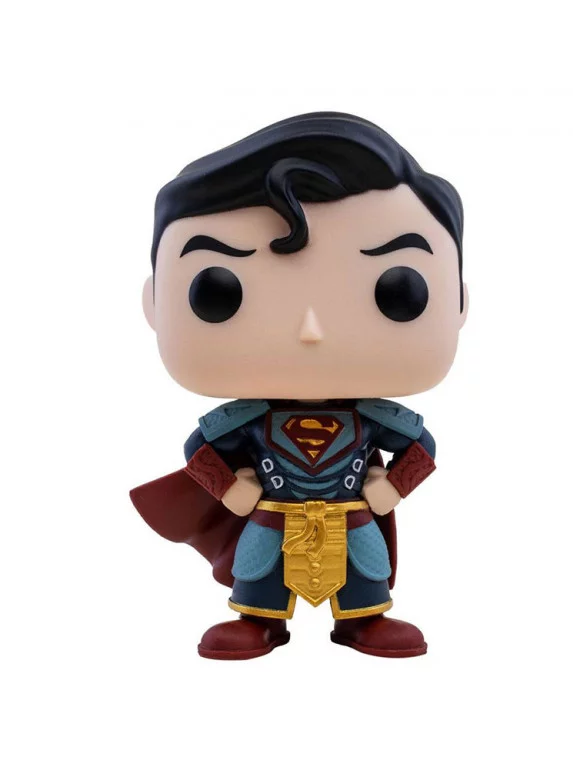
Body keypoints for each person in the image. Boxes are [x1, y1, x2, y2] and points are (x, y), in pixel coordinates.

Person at [131, 111, 468, 659]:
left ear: (459, 303)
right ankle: (259, 619)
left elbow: (422, 448)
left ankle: (364, 618)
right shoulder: (245, 419)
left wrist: (393, 487)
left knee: (366, 565)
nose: (310, 329)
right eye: (220, 290)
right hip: (274, 509)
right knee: (258, 564)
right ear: (154, 303)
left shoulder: (375, 417)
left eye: (397, 289)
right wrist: (229, 490)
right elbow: (199, 449)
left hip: (350, 510)